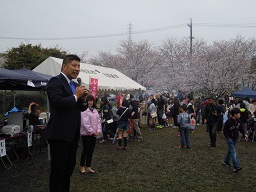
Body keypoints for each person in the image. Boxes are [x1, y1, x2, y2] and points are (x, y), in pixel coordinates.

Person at [46, 54, 88, 192]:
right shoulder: (55, 82)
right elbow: (57, 103)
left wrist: (83, 99)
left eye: (79, 66)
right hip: (59, 135)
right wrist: (76, 96)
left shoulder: (75, 85)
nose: (77, 69)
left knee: (68, 170)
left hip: (73, 135)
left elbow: (81, 108)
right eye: (74, 65)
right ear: (64, 66)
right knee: (58, 171)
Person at [79, 95, 101, 174]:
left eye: (91, 100)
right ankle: (82, 166)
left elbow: (98, 121)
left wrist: (98, 130)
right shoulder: (84, 111)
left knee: (91, 151)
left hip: (93, 134)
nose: (90, 102)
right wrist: (92, 131)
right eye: (88, 100)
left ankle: (88, 166)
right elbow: (85, 124)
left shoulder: (95, 110)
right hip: (86, 134)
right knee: (85, 150)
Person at [223, 108, 245, 172]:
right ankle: (236, 166)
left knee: (230, 150)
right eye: (239, 114)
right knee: (233, 152)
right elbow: (224, 130)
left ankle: (226, 161)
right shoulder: (228, 121)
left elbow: (241, 128)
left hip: (235, 138)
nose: (240, 115)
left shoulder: (238, 121)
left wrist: (244, 134)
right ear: (235, 114)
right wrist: (227, 137)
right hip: (230, 138)